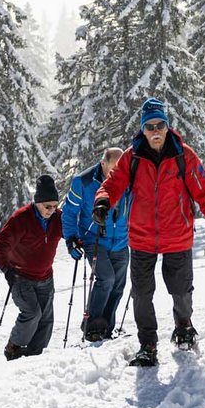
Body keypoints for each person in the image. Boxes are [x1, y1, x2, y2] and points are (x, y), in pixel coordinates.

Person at [92, 98, 205, 367]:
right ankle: (148, 344)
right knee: (142, 294)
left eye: (160, 125)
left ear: (167, 126)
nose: (155, 131)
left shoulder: (184, 155)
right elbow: (113, 183)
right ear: (143, 129)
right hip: (141, 237)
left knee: (180, 290)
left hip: (177, 235)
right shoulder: (132, 157)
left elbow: (204, 190)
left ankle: (184, 326)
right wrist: (102, 201)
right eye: (150, 126)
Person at [62, 147, 128, 342]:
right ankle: (91, 326)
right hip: (94, 238)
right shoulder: (83, 182)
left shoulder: (128, 180)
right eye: (113, 168)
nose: (118, 172)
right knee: (106, 279)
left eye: (121, 167)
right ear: (103, 164)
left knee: (118, 285)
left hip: (122, 241)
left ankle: (107, 328)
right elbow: (69, 212)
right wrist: (71, 239)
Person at [0, 175, 63, 360]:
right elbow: (0, 244)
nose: (51, 210)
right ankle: (14, 347)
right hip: (21, 276)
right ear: (37, 202)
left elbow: (71, 231)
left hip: (46, 277)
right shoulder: (22, 218)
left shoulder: (58, 217)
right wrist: (7, 270)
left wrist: (76, 241)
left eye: (55, 206)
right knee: (32, 313)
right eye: (47, 206)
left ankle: (35, 355)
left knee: (46, 319)